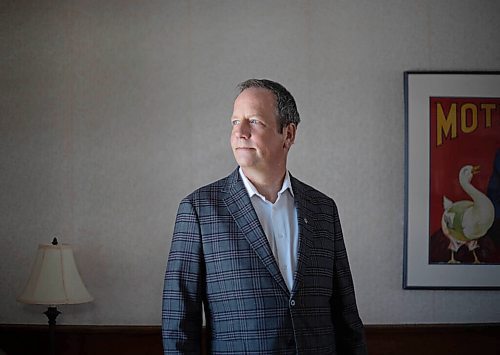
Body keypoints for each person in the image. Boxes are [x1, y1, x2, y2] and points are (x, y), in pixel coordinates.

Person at [162, 79, 367, 354]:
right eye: (235, 122)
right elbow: (179, 324)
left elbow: (346, 316)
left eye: (254, 121)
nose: (240, 132)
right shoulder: (199, 210)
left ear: (289, 134)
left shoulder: (323, 210)